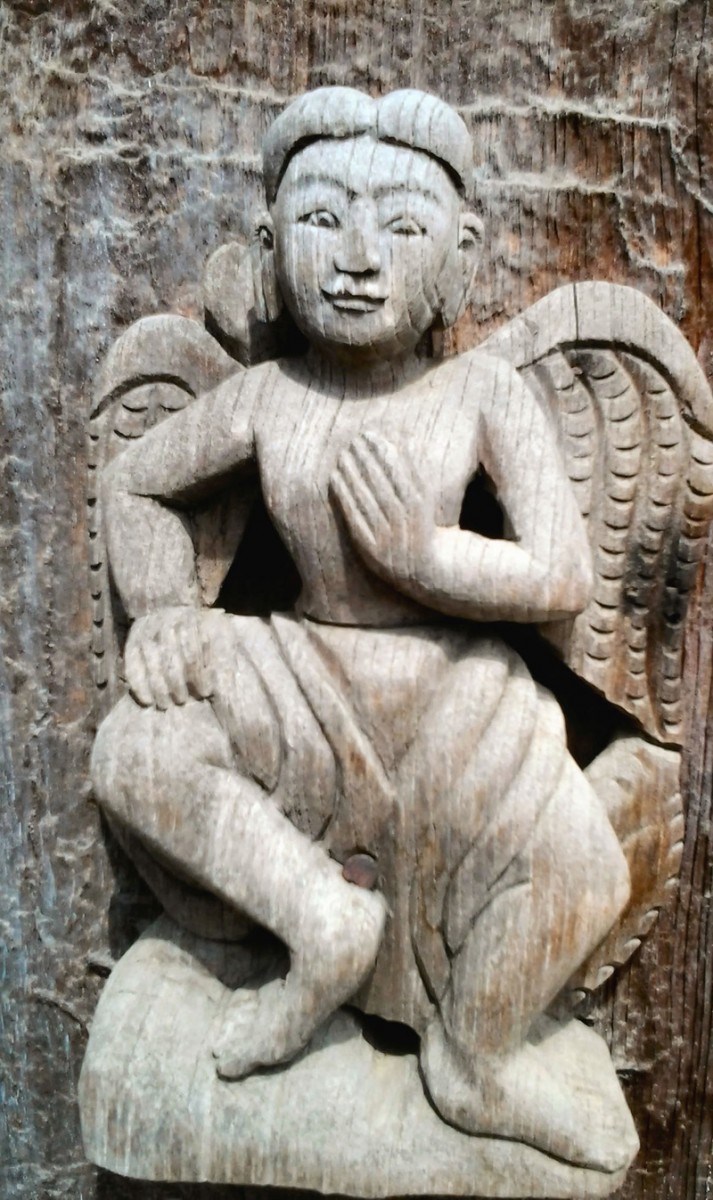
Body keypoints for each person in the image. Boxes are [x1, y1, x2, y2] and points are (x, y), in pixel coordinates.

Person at [92, 87, 632, 1170]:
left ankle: (473, 1057)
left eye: (400, 227)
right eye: (321, 218)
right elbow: (137, 484)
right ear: (268, 247)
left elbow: (563, 572)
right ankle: (320, 922)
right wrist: (164, 612)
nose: (356, 259)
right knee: (134, 751)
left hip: (452, 689)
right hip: (293, 667)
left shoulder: (479, 391)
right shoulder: (269, 395)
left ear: (459, 258)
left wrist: (428, 559)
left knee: (586, 875)